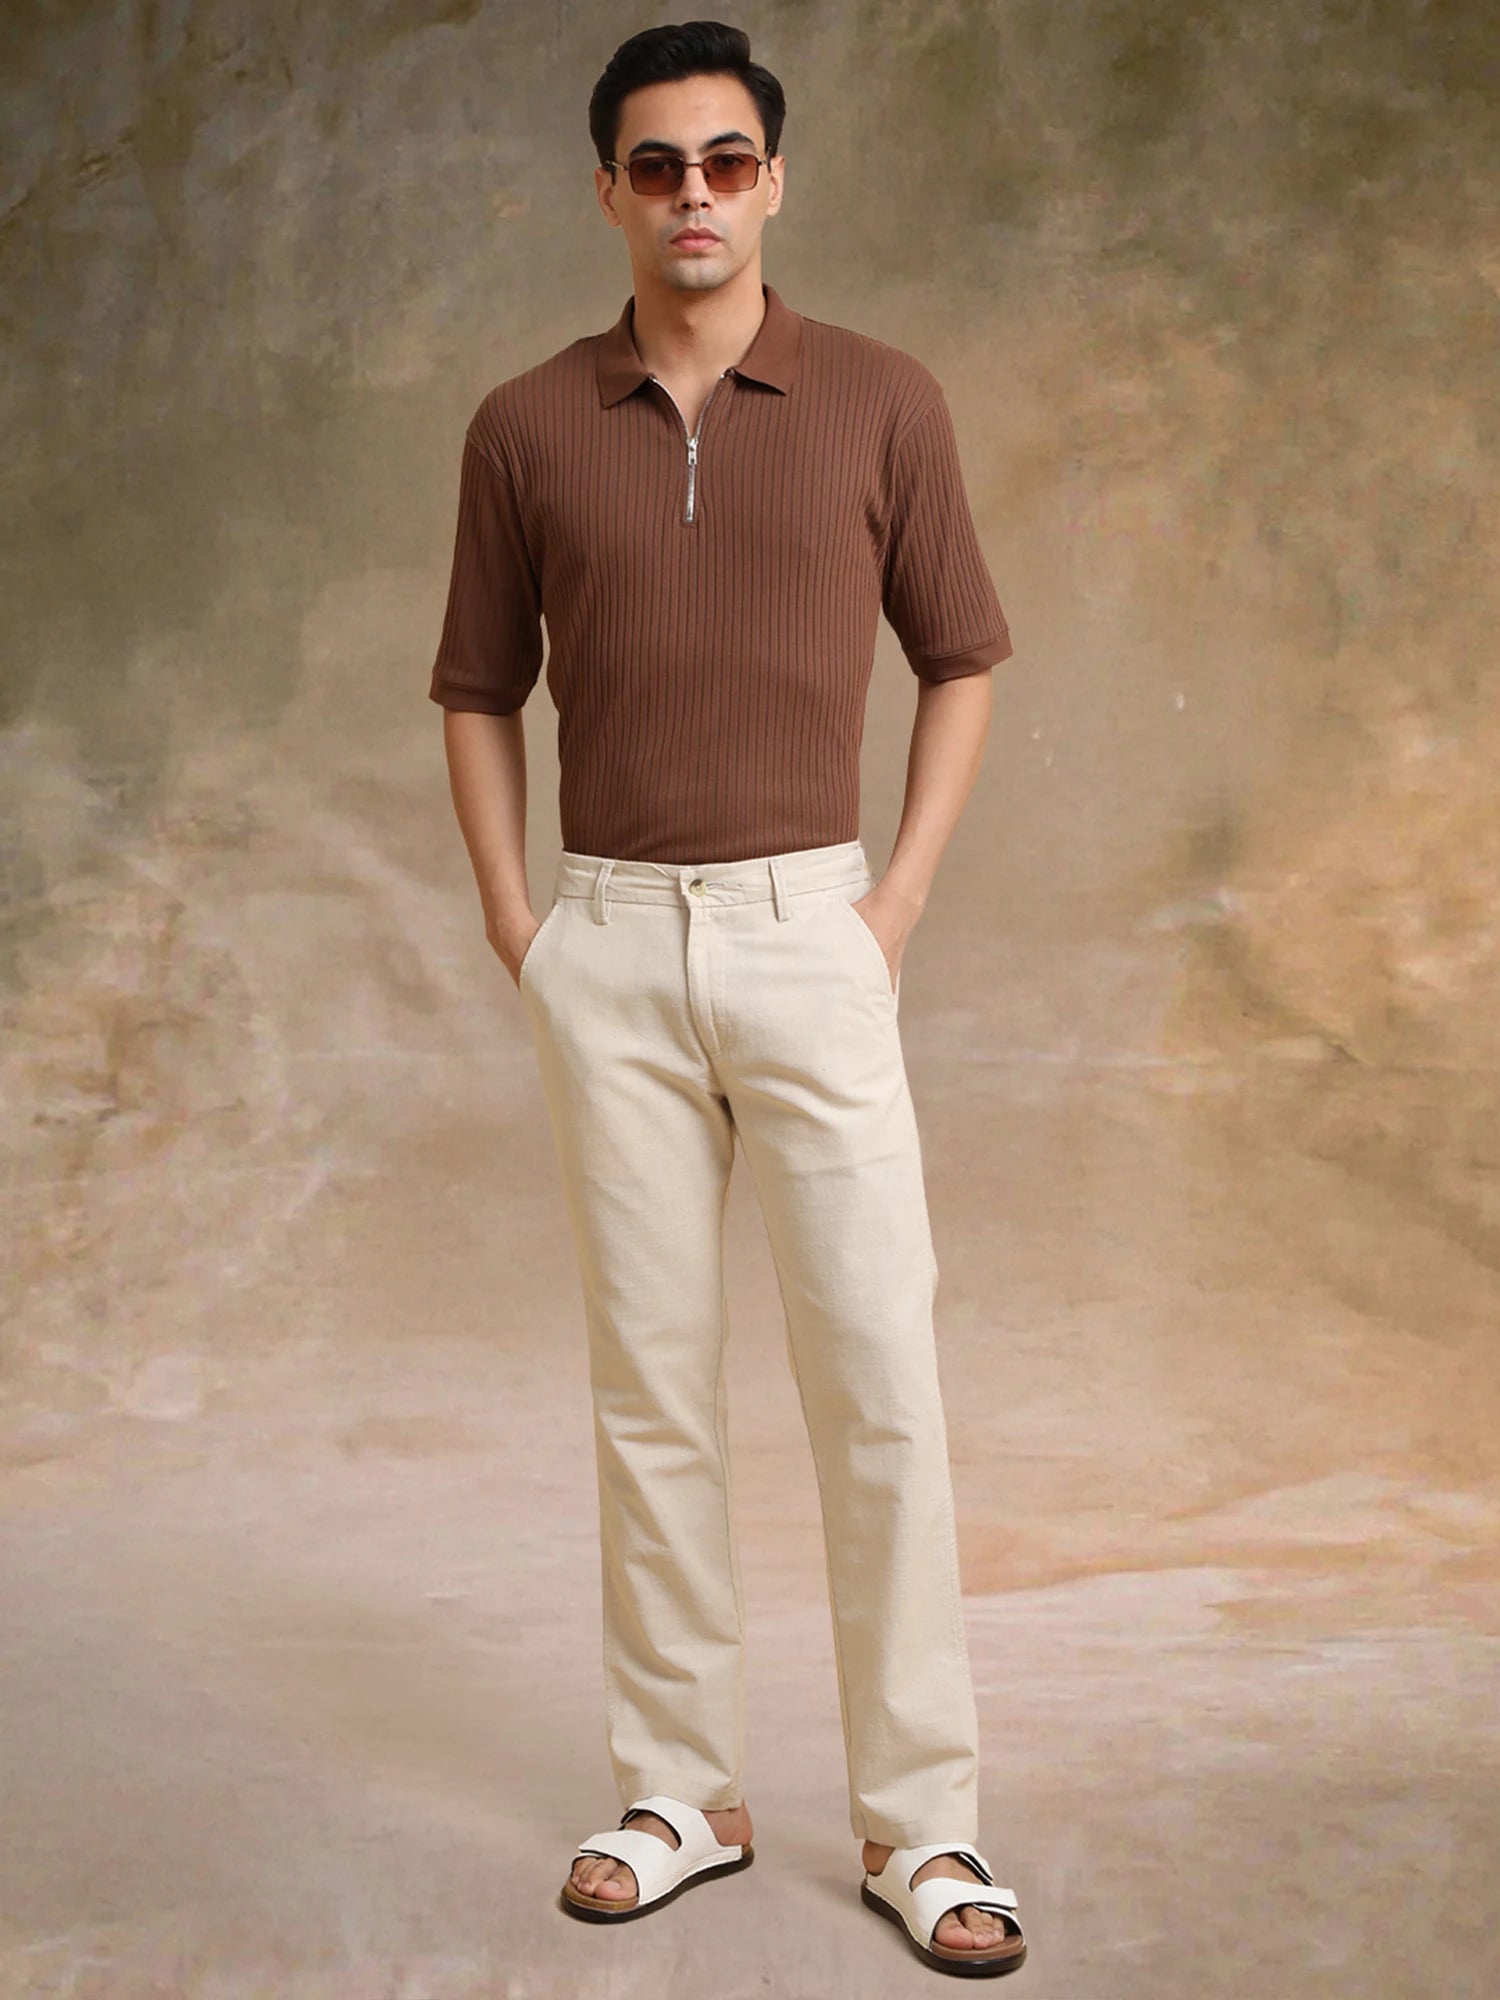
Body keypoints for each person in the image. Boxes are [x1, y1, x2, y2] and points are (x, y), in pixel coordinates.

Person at [428, 19, 1027, 1978]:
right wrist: (521, 927)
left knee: (879, 1383)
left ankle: (924, 1822)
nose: (695, 193)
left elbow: (961, 656)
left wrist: (892, 903)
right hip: (606, 946)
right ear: (606, 191)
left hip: (810, 933)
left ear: (776, 181)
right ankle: (682, 1788)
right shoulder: (525, 425)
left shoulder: (880, 400)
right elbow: (475, 690)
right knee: (651, 1393)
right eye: (658, 164)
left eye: (729, 160)